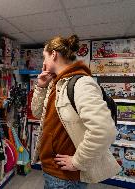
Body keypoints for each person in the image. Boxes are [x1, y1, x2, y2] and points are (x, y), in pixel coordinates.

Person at [31, 34, 121, 189]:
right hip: (52, 171)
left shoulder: (81, 84)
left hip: (65, 178)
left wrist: (77, 161)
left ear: (53, 54)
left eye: (44, 56)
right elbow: (37, 113)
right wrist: (40, 87)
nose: (43, 62)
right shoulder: (57, 84)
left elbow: (104, 130)